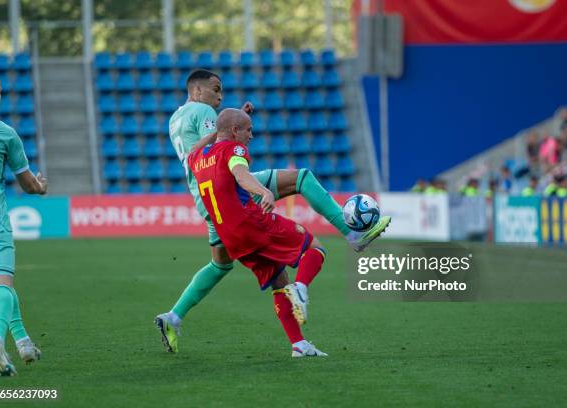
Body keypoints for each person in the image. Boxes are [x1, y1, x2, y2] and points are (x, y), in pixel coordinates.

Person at [155, 69, 391, 353]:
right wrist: (231, 130)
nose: (219, 95)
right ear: (196, 91)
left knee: (225, 264)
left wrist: (233, 118)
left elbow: (198, 150)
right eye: (215, 89)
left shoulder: (174, 119)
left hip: (205, 199)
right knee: (302, 177)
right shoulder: (201, 111)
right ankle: (352, 232)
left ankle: (174, 316)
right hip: (228, 187)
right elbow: (221, 148)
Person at [188, 108, 327, 357]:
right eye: (248, 129)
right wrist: (264, 191)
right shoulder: (235, 150)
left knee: (278, 280)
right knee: (315, 248)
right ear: (235, 131)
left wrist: (221, 129)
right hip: (252, 223)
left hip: (231, 240)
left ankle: (298, 344)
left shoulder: (196, 158)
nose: (251, 135)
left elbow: (194, 149)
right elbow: (241, 174)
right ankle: (301, 287)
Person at [0, 66, 48, 376]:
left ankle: (22, 342)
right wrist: (40, 186)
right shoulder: (5, 133)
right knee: (2, 285)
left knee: (1, 288)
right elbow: (27, 184)